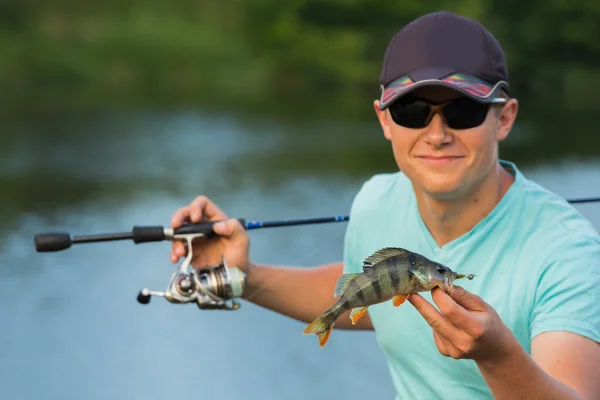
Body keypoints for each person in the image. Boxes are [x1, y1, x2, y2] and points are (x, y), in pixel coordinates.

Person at [169, 11, 600, 400]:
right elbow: (361, 286)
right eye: (412, 110)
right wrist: (241, 277)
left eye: (463, 110)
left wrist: (497, 358)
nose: (436, 133)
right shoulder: (377, 199)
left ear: (503, 118)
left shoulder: (569, 252)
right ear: (384, 121)